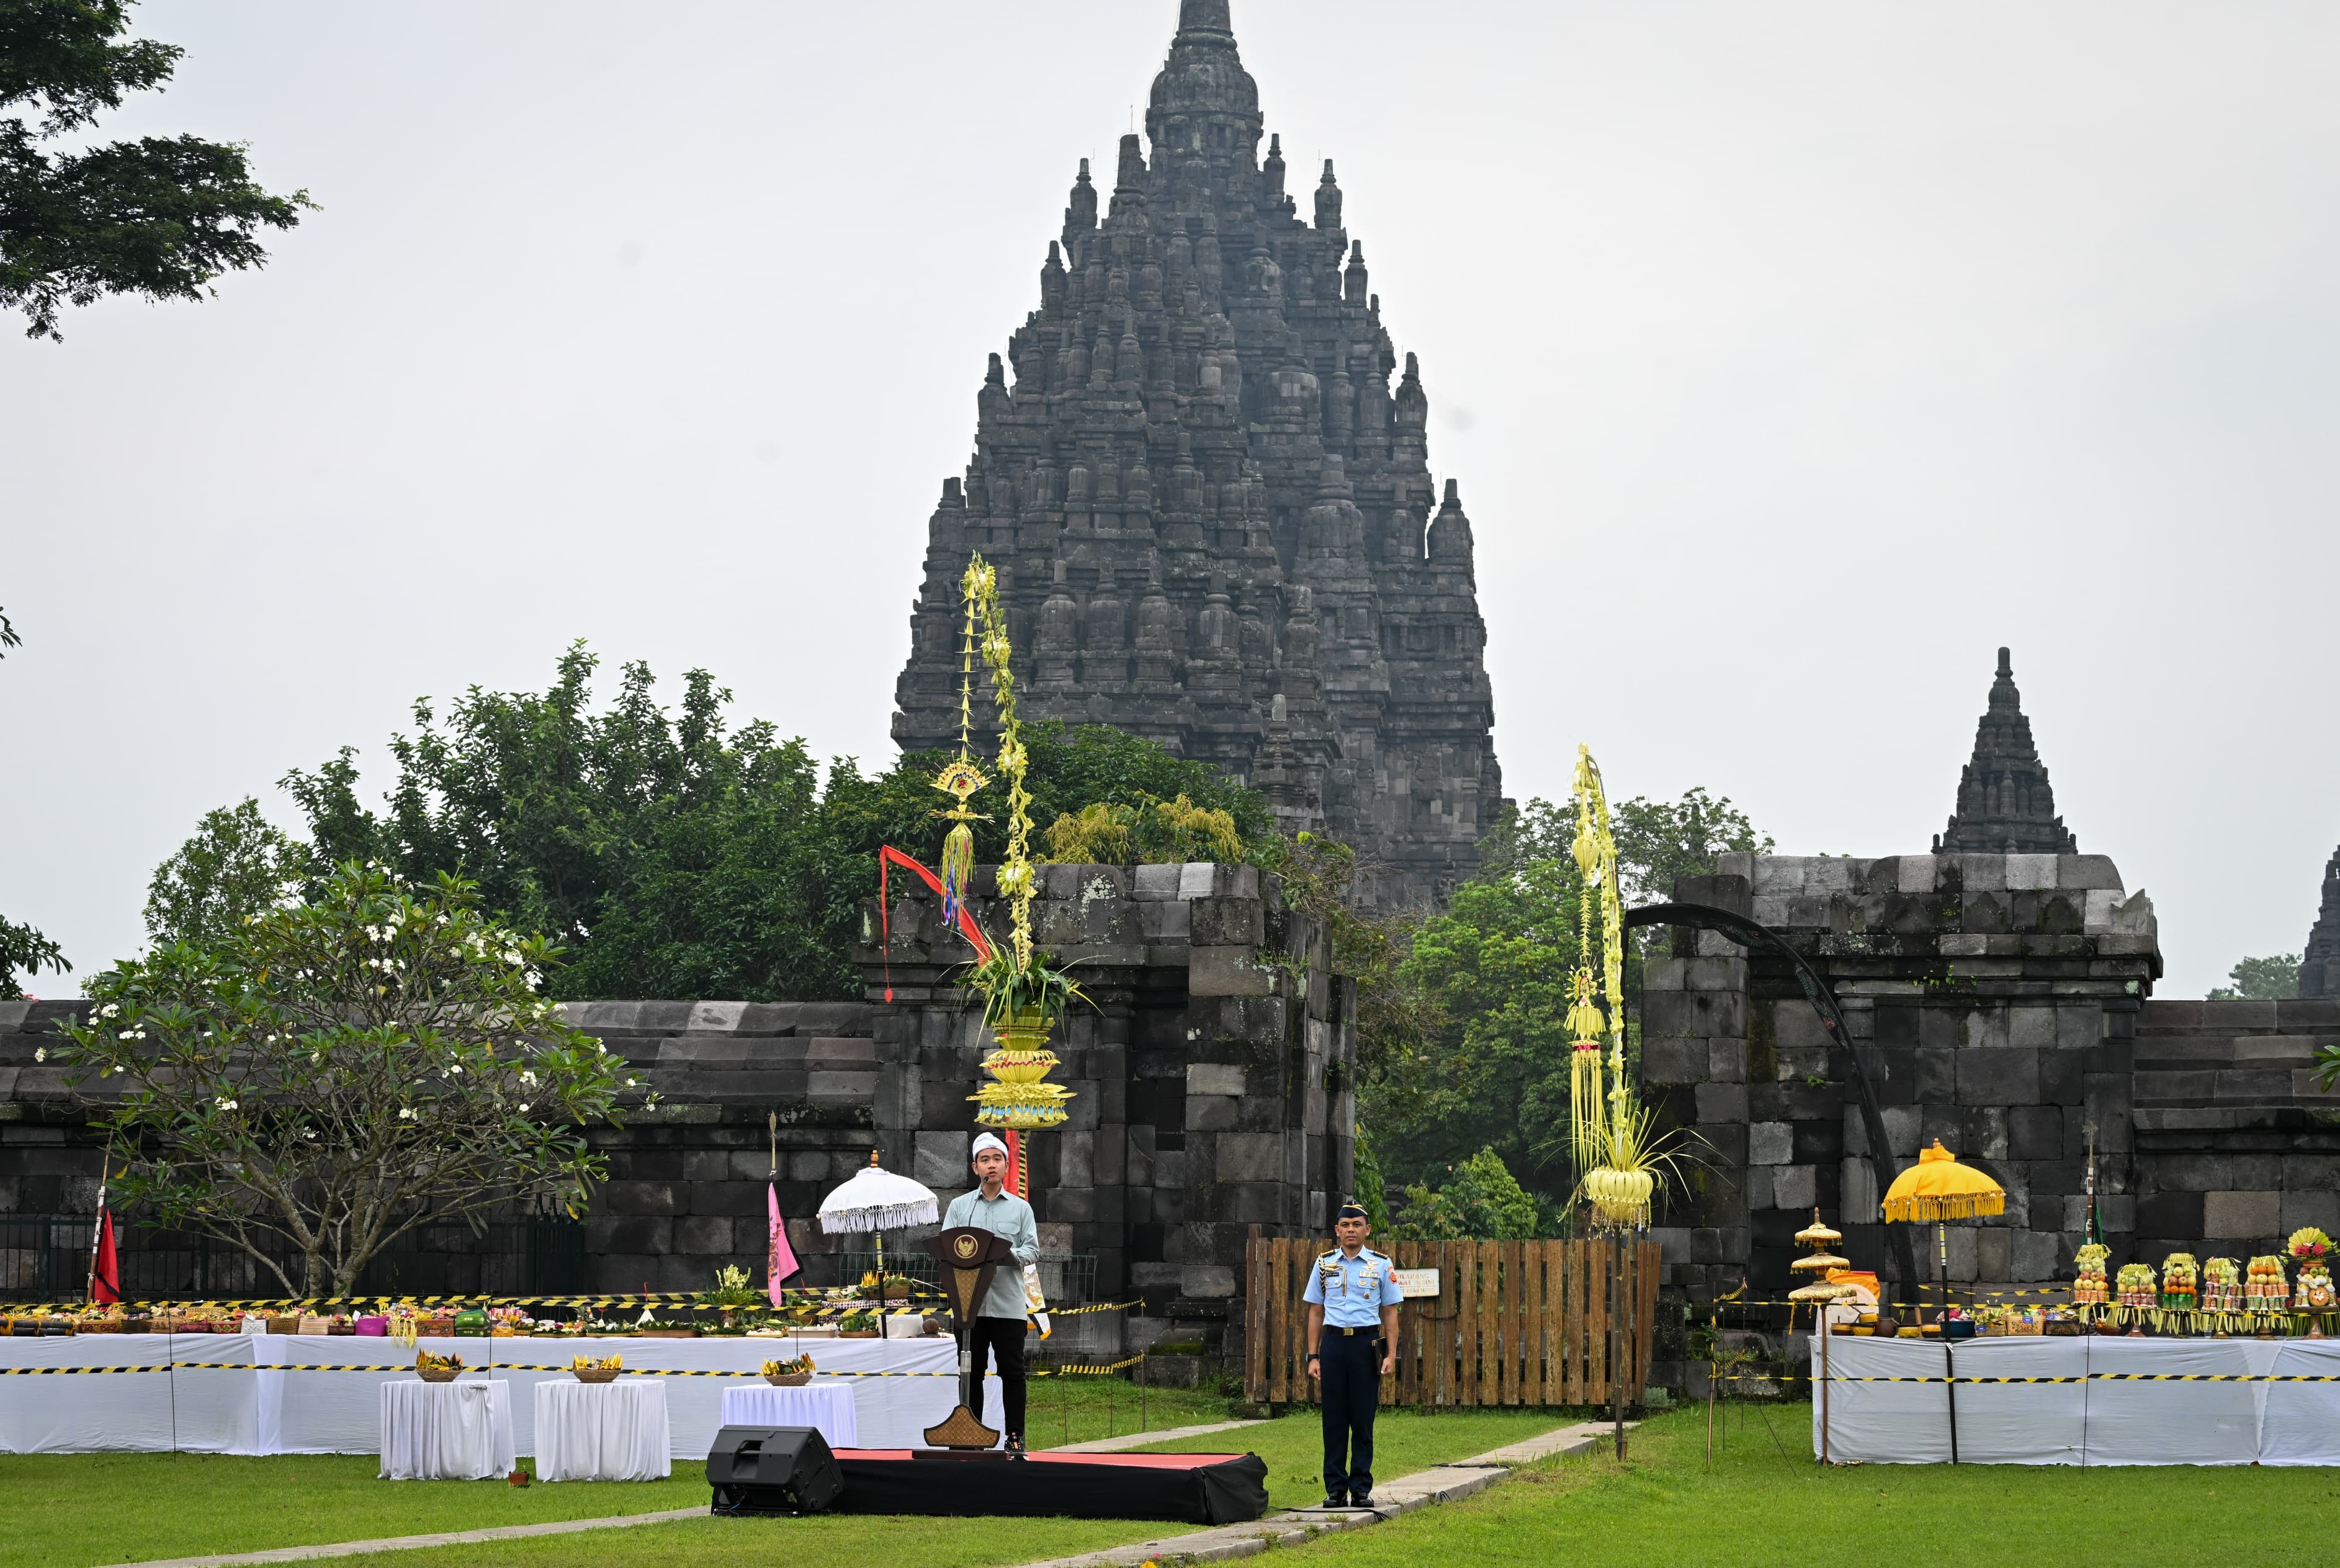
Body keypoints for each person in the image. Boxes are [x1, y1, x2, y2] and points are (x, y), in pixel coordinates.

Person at [941, 1130, 1039, 1451]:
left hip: (1008, 1306)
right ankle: (971, 1437)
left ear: (1007, 1166)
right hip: (969, 1307)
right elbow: (946, 1247)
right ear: (975, 1168)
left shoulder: (1021, 1209)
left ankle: (1015, 1438)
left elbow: (1033, 1251)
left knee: (1013, 1373)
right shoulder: (960, 1207)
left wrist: (1007, 1255)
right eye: (985, 1160)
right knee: (971, 1374)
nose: (991, 1165)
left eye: (997, 1159)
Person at [1303, 1199, 1401, 1509]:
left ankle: (1360, 1488)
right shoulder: (1324, 1264)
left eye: (1357, 1225)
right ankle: (1335, 1489)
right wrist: (1313, 1356)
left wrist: (1391, 1354)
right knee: (1334, 1419)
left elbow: (1390, 1313)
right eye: (1345, 1225)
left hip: (1366, 1345)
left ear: (1367, 1230)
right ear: (1337, 1230)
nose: (1351, 1230)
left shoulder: (1381, 1264)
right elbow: (1316, 1312)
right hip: (1333, 1345)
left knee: (1362, 1418)